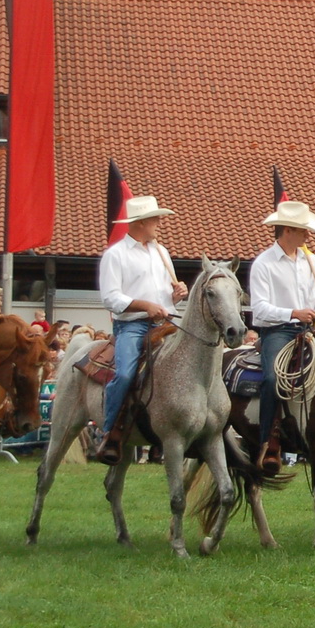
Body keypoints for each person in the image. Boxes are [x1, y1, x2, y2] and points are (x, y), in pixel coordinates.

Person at [94, 194, 186, 466]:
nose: (160, 222)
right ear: (141, 222)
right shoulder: (115, 255)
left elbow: (166, 297)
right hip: (132, 326)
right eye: (156, 218)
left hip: (167, 323)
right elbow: (110, 298)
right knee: (124, 374)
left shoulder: (162, 252)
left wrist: (177, 294)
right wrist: (145, 305)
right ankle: (110, 430)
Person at [249, 200, 315, 472]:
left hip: (310, 329)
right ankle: (268, 440)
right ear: (287, 230)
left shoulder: (310, 260)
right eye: (303, 230)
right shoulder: (263, 264)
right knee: (272, 378)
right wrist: (293, 313)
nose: (308, 236)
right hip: (278, 330)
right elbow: (259, 308)